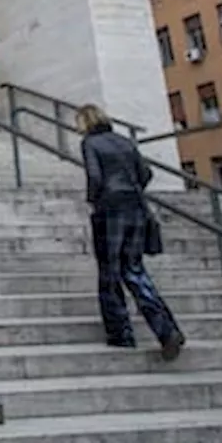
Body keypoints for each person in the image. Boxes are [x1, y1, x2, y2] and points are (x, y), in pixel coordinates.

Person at [78, 103, 185, 360]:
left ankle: (121, 334)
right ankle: (166, 329)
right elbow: (146, 173)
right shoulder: (125, 141)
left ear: (85, 122)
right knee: (134, 269)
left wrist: (95, 199)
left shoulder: (90, 143)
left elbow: (94, 176)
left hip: (110, 210)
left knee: (110, 272)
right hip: (135, 208)